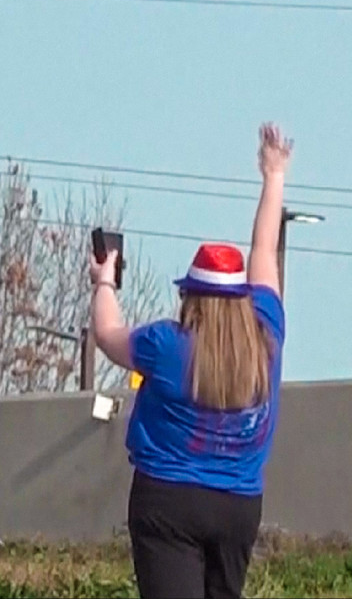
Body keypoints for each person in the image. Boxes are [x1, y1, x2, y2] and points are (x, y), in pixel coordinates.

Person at [89, 123, 293, 599]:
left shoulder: (165, 344)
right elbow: (264, 249)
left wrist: (104, 280)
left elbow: (106, 334)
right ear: (242, 296)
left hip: (167, 500)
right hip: (239, 505)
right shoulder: (268, 336)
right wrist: (275, 175)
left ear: (191, 297)